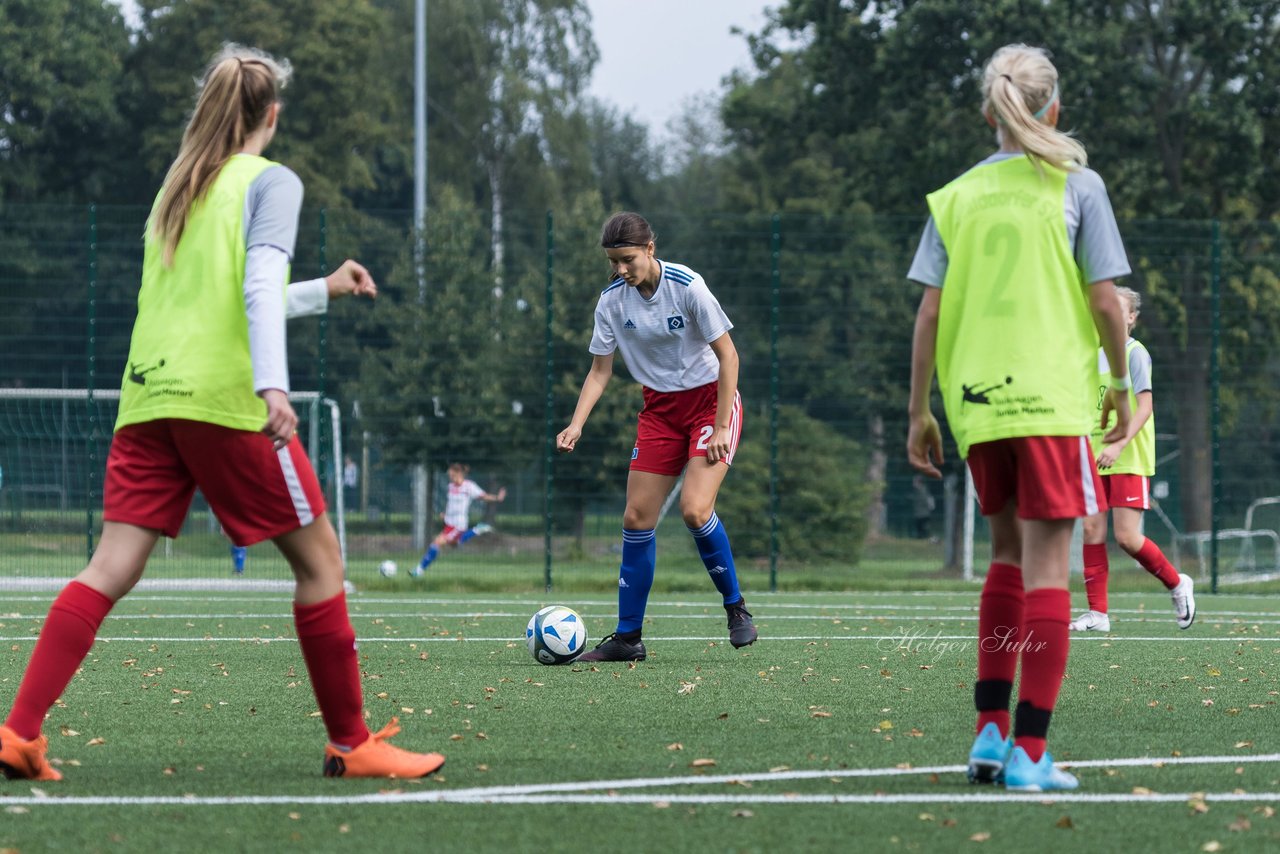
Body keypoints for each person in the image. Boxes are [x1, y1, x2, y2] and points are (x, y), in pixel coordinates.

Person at [0, 45, 444, 781]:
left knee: (108, 565)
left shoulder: (177, 189)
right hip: (224, 402)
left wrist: (324, 287)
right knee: (322, 562)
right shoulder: (272, 181)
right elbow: (257, 291)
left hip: (148, 398)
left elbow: (226, 295)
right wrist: (273, 386)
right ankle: (351, 742)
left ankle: (17, 731)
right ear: (270, 115)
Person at [906, 44, 1133, 793]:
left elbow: (929, 313)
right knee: (1045, 568)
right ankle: (1031, 754)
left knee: (1003, 558)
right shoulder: (1078, 184)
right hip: (1048, 399)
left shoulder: (955, 195)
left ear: (989, 111)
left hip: (978, 405)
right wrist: (1121, 387)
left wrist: (918, 412)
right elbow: (1105, 301)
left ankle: (990, 736)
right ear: (1053, 109)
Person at [556, 211, 755, 662]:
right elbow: (599, 370)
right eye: (613, 262)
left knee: (693, 509)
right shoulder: (611, 302)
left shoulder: (687, 286)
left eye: (627, 259)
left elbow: (729, 357)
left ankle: (736, 609)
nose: (620, 270)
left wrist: (722, 425)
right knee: (636, 519)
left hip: (710, 403)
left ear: (650, 249)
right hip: (660, 411)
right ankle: (628, 639)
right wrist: (576, 423)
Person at [1071, 287, 1195, 633]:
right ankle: (1098, 613)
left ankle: (1177, 584)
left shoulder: (1134, 353)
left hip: (1126, 455)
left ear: (1131, 318)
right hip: (1094, 454)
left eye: (1117, 310)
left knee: (1126, 537)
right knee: (1092, 529)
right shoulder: (1089, 356)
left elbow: (1144, 407)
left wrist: (1120, 444)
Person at [412, 462, 506, 576]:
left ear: (459, 473)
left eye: (452, 475)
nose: (451, 478)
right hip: (449, 523)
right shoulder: (450, 486)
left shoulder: (469, 486)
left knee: (437, 543)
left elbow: (483, 496)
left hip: (458, 524)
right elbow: (450, 502)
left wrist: (497, 498)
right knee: (454, 544)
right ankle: (477, 530)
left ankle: (419, 570)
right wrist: (445, 514)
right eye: (450, 476)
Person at [912, 474, 937, 540]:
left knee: (924, 530)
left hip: (924, 514)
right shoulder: (917, 491)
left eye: (914, 482)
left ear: (919, 482)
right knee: (920, 530)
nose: (913, 483)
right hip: (919, 513)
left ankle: (927, 539)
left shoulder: (923, 490)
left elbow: (929, 501)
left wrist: (930, 508)